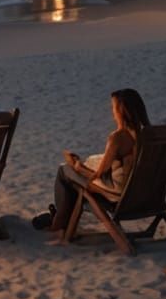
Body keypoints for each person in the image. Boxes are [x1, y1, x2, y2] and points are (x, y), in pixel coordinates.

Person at [33, 86, 144, 233]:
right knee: (74, 177)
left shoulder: (118, 138)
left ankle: (58, 221)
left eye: (113, 108)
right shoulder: (148, 135)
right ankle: (61, 217)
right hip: (142, 194)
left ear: (121, 112)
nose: (112, 112)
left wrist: (78, 167)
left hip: (119, 195)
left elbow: (98, 175)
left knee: (65, 170)